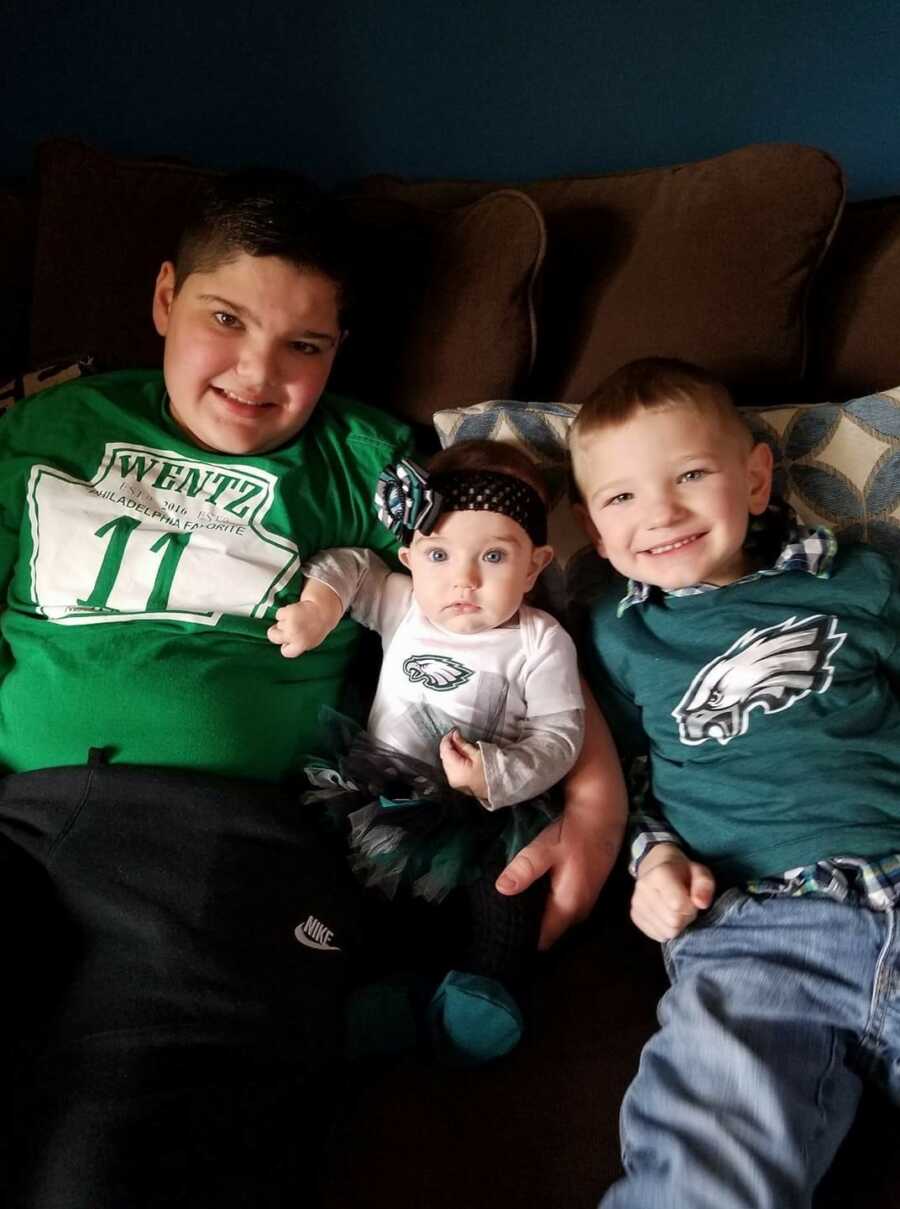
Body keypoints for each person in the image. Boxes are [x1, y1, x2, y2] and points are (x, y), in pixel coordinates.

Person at [0, 170, 622, 1207]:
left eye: (305, 345)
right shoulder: (44, 428)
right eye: (224, 318)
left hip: (223, 847)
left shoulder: (371, 464)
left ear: (340, 351)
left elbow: (498, 628)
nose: (256, 371)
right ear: (164, 300)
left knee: (107, 1155)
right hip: (21, 821)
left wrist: (596, 808)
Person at [568, 356, 900, 1209]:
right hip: (757, 931)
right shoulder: (616, 634)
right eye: (622, 498)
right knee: (705, 1166)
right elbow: (617, 777)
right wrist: (652, 860)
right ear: (593, 530)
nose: (663, 512)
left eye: (690, 474)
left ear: (755, 478)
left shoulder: (854, 581)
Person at [268, 439, 588, 1064]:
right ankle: (389, 988)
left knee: (506, 887)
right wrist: (317, 608)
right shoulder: (406, 603)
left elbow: (559, 735)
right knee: (368, 886)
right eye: (440, 554)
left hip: (489, 806)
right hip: (384, 794)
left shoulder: (538, 639)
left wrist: (495, 773)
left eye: (494, 556)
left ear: (534, 565)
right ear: (411, 556)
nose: (463, 581)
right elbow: (350, 565)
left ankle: (486, 983)